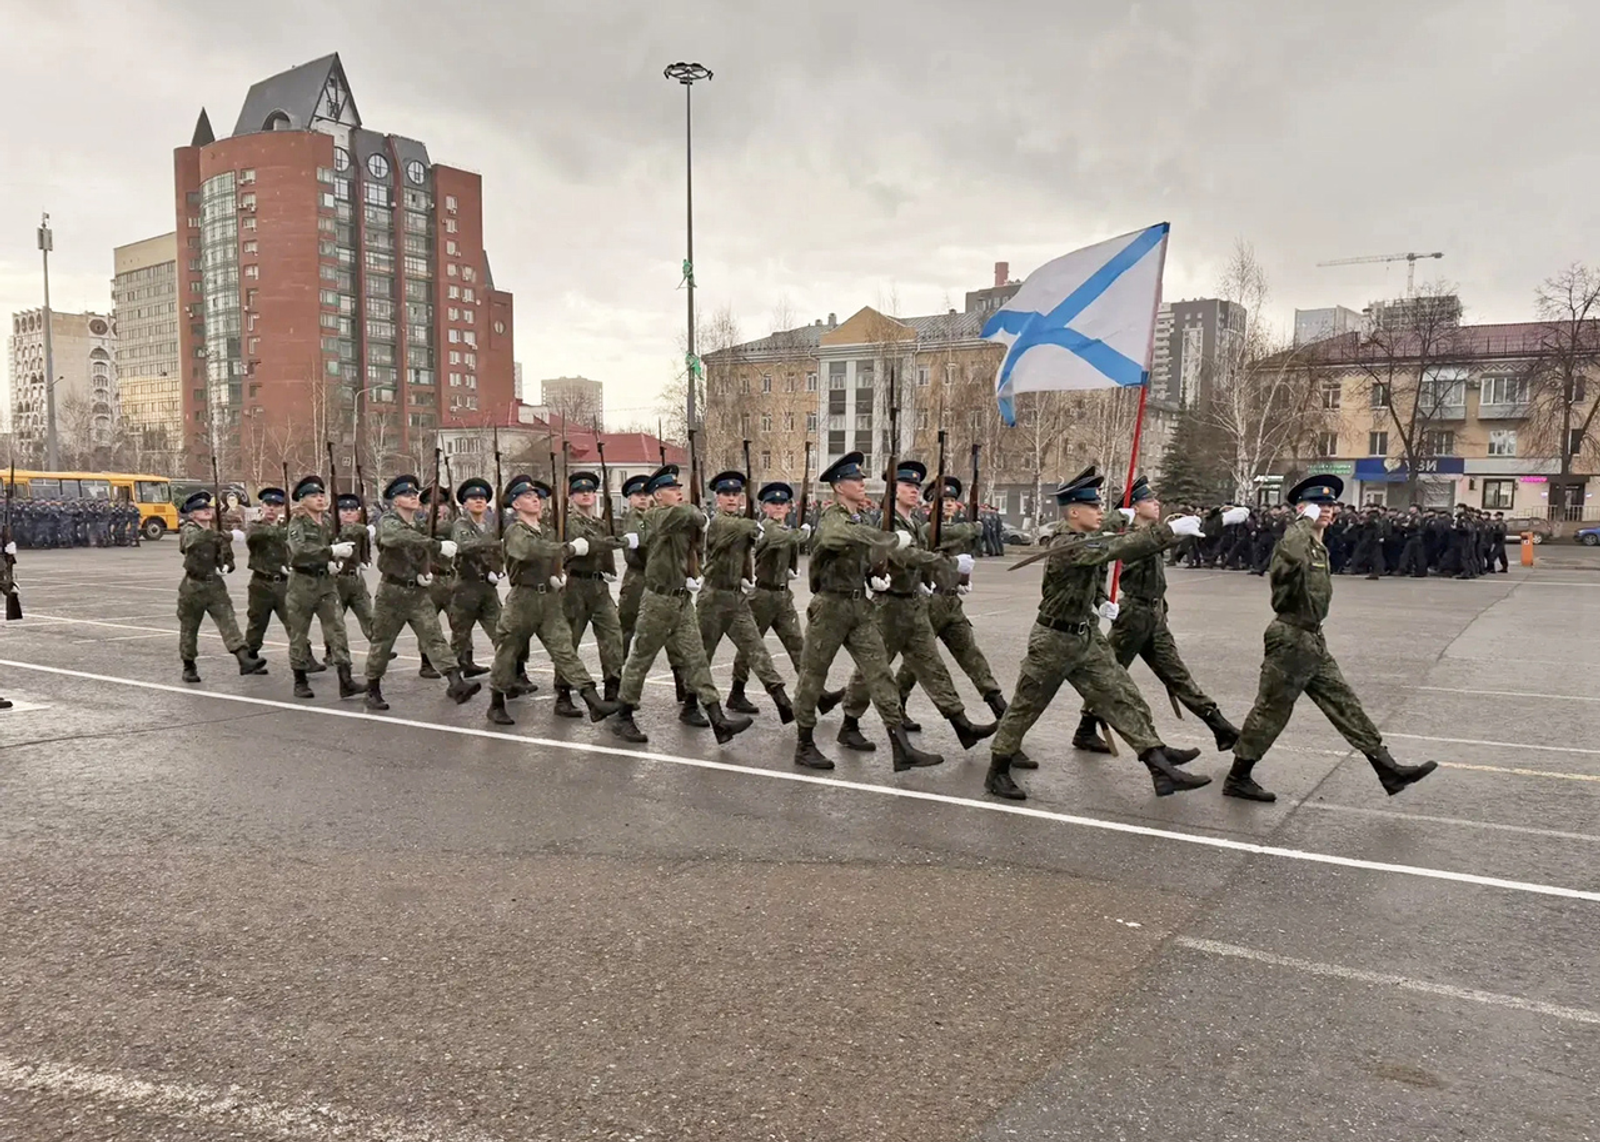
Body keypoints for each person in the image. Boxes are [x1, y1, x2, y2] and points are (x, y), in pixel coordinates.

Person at [985, 467, 1210, 802]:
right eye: (1094, 507)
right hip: (1053, 641)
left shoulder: (1086, 539)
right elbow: (1116, 548)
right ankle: (998, 770)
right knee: (1025, 708)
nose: (1100, 511)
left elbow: (1108, 544)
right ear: (1074, 512)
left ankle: (1159, 766)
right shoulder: (1066, 545)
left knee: (1121, 695)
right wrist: (1167, 531)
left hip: (1085, 635)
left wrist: (1102, 600)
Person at [1223, 474, 1439, 803]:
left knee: (1345, 703)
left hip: (1311, 639)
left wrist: (1311, 525)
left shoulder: (1317, 544)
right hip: (1290, 639)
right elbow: (1291, 555)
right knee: (1271, 711)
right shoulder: (1294, 541)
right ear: (1300, 509)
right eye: (1317, 504)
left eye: (1329, 504)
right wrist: (1302, 521)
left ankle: (1387, 769)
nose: (1326, 509)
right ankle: (1238, 777)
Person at [790, 452, 942, 773]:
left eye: (861, 478)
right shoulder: (833, 516)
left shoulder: (859, 519)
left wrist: (875, 571)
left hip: (860, 606)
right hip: (830, 606)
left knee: (879, 672)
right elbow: (833, 538)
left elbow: (863, 549)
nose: (862, 484)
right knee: (813, 675)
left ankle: (901, 746)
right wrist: (887, 539)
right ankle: (804, 744)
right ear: (838, 486)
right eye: (855, 479)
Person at [1072, 476, 1242, 755]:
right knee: (1109, 678)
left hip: (1153, 614)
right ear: (1135, 508)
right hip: (1132, 617)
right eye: (1150, 500)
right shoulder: (1130, 538)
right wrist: (1101, 601)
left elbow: (1179, 536)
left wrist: (1217, 519)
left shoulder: (1151, 532)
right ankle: (1086, 729)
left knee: (1177, 675)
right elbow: (1102, 569)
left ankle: (1220, 727)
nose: (1157, 503)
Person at [839, 460, 994, 754]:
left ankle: (961, 724)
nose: (914, 490)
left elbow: (921, 555)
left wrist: (933, 580)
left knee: (932, 666)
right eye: (908, 486)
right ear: (893, 490)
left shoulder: (912, 522)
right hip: (888, 607)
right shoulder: (888, 523)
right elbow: (905, 556)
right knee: (871, 670)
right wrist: (949, 564)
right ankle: (849, 724)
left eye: (916, 486)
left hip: (914, 605)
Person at [609, 464, 753, 746]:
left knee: (697, 658)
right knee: (641, 660)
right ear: (657, 495)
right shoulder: (657, 516)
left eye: (679, 488)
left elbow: (694, 539)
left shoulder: (675, 518)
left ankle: (717, 719)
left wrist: (691, 574)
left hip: (681, 599)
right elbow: (691, 513)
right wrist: (697, 514)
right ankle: (623, 715)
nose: (679, 492)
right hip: (657, 601)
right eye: (672, 489)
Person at [484, 474, 621, 726]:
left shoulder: (547, 530)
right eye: (527, 496)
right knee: (508, 651)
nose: (535, 499)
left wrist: (557, 573)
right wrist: (568, 549)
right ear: (515, 504)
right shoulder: (515, 531)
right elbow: (530, 550)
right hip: (522, 599)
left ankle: (592, 700)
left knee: (564, 650)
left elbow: (552, 552)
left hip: (548, 598)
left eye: (536, 496)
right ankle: (496, 703)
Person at [896, 475, 1009, 726]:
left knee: (971, 656)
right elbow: (947, 536)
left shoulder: (956, 528)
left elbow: (963, 552)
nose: (948, 504)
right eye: (942, 500)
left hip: (952, 602)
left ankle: (998, 705)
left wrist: (964, 579)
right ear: (930, 505)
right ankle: (897, 703)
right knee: (918, 662)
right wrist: (974, 527)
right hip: (930, 603)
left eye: (951, 500)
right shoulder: (926, 529)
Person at [361, 473, 479, 710]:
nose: (413, 497)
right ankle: (372, 688)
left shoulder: (421, 524)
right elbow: (396, 538)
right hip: (393, 592)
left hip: (418, 593)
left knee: (434, 636)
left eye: (415, 493)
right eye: (406, 494)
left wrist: (450, 512)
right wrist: (435, 545)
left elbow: (440, 532)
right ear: (395, 500)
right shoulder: (388, 521)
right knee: (383, 642)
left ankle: (456, 682)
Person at [695, 470, 795, 724]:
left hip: (736, 598)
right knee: (702, 656)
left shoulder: (744, 523)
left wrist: (744, 576)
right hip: (713, 598)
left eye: (736, 494)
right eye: (726, 494)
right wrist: (759, 525)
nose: (731, 498)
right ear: (716, 498)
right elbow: (741, 528)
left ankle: (781, 699)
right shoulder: (720, 522)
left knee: (757, 650)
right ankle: (689, 704)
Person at [558, 470, 636, 715]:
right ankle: (562, 695)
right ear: (571, 497)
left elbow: (603, 549)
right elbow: (590, 545)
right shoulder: (569, 522)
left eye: (590, 491)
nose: (586, 495)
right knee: (570, 640)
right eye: (581, 492)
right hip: (575, 586)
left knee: (612, 635)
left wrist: (608, 567)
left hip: (598, 586)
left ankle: (612, 690)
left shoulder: (600, 523)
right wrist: (620, 542)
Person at [728, 480, 811, 713]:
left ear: (789, 507)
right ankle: (737, 692)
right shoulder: (767, 528)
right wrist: (804, 533)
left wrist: (790, 569)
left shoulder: (784, 528)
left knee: (798, 645)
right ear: (764, 507)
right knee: (751, 647)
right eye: (772, 504)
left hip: (783, 596)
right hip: (763, 596)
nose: (777, 508)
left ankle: (814, 693)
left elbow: (788, 543)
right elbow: (783, 538)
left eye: (782, 504)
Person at [284, 475, 364, 700]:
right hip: (302, 584)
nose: (319, 499)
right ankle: (300, 680)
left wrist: (335, 562)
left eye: (321, 494)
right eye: (313, 495)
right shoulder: (297, 523)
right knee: (299, 633)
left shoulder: (327, 521)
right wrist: (331, 552)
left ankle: (345, 679)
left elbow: (334, 542)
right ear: (302, 500)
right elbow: (299, 552)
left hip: (326, 583)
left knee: (337, 629)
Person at [175, 490, 267, 683]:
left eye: (207, 507)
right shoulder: (189, 529)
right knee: (189, 628)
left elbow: (227, 556)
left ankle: (244, 660)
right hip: (194, 586)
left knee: (229, 623)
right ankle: (189, 665)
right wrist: (227, 535)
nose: (206, 511)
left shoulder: (215, 531)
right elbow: (194, 542)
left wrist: (227, 565)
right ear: (192, 514)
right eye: (201, 509)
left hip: (215, 585)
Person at [447, 478, 505, 679]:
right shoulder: (461, 524)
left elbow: (497, 554)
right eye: (473, 498)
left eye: (482, 498)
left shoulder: (489, 526)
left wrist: (498, 569)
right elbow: (465, 545)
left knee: (500, 632)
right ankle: (454, 680)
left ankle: (508, 677)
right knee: (460, 636)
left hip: (487, 588)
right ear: (465, 504)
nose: (478, 501)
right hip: (466, 587)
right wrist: (496, 544)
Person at [243, 487, 293, 670]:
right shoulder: (255, 526)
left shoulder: (287, 527)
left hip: (284, 582)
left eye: (276, 505)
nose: (271, 508)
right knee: (257, 623)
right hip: (261, 583)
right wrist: (285, 530)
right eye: (268, 504)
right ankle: (250, 656)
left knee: (293, 622)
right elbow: (254, 536)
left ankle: (305, 657)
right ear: (262, 506)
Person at [417, 484, 458, 679]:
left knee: (459, 621)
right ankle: (426, 663)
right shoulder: (421, 528)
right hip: (431, 579)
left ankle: (464, 659)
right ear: (424, 507)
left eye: (443, 504)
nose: (440, 508)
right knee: (428, 624)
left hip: (451, 577)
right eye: (433, 504)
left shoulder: (454, 525)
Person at [331, 492, 377, 650]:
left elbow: (365, 548)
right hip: (337, 580)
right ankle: (332, 651)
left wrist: (366, 560)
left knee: (368, 615)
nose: (348, 512)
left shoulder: (362, 530)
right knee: (335, 620)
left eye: (352, 509)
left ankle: (378, 648)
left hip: (356, 579)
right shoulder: (331, 530)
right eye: (344, 510)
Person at [617, 474, 653, 659]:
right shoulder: (633, 518)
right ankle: (617, 670)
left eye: (646, 494)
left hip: (651, 576)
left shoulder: (652, 516)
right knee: (626, 626)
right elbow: (640, 546)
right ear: (630, 499)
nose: (643, 498)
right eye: (638, 494)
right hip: (637, 578)